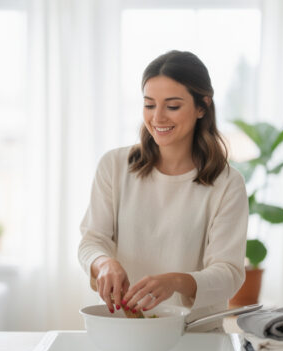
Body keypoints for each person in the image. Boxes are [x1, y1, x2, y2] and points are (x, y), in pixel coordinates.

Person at [77, 50, 248, 331]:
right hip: (123, 329)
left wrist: (176, 281)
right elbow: (91, 241)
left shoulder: (227, 183)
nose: (157, 117)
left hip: (195, 336)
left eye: (172, 106)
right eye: (149, 104)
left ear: (202, 106)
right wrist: (104, 263)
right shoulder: (115, 166)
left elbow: (228, 273)